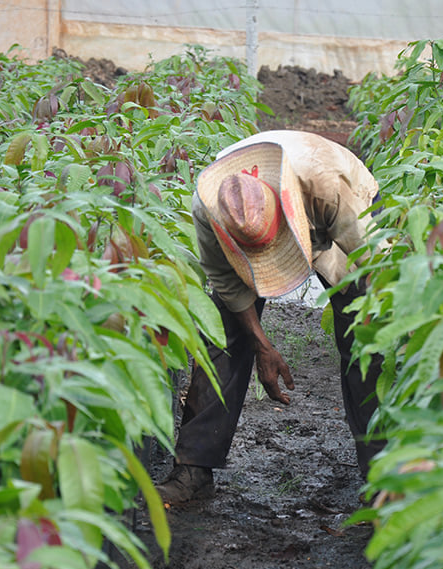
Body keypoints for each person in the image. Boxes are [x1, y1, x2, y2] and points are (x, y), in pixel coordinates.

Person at [156, 130, 384, 504]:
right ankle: (193, 468)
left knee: (364, 333)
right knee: (223, 334)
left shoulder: (328, 184)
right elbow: (230, 288)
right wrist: (262, 345)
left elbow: (376, 264)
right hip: (271, 208)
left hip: (341, 205)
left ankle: (381, 473)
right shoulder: (212, 208)